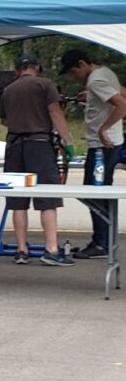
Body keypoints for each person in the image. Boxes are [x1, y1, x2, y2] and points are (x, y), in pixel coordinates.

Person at [0, 55, 75, 265]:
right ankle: (51, 249)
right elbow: (55, 112)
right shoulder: (46, 85)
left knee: (17, 200)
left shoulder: (9, 90)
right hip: (40, 145)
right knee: (47, 197)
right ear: (37, 68)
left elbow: (4, 119)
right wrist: (67, 142)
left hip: (14, 146)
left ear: (17, 70)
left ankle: (21, 250)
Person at [60, 47, 125, 260]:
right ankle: (104, 239)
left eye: (72, 72)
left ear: (82, 63)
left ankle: (102, 243)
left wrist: (104, 128)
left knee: (94, 194)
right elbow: (121, 93)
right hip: (112, 144)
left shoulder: (96, 80)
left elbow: (122, 104)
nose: (73, 77)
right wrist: (93, 97)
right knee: (99, 192)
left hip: (102, 146)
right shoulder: (106, 73)